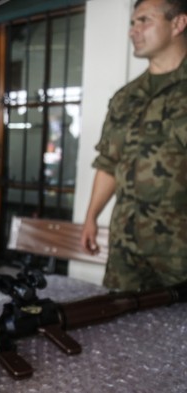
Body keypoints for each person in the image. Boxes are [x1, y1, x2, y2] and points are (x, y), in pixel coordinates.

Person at [80, 0, 187, 291]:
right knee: (120, 326)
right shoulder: (126, 97)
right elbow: (109, 162)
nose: (133, 31)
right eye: (132, 23)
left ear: (178, 24)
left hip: (179, 249)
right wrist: (91, 218)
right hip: (126, 247)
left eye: (144, 21)